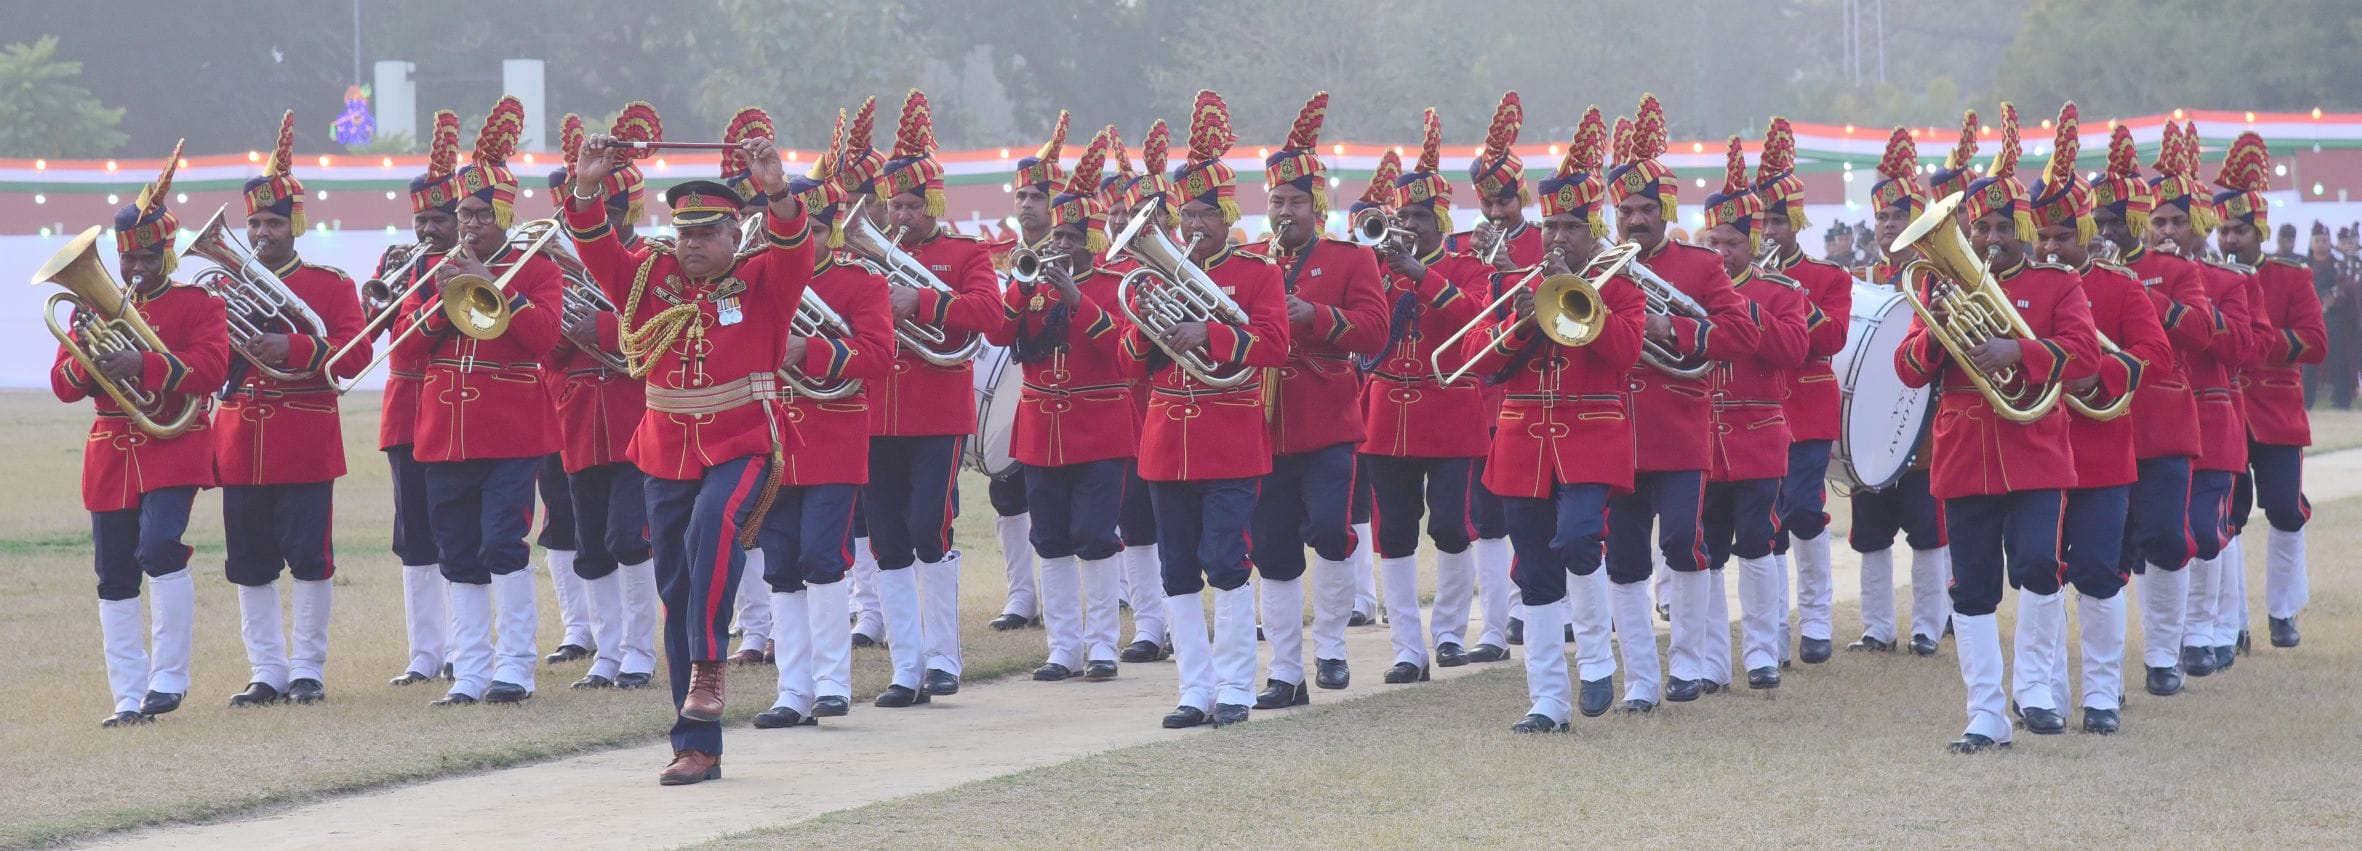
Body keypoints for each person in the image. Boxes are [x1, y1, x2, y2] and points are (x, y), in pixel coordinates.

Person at [565, 118, 813, 786]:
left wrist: (778, 191)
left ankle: (709, 667)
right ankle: (696, 744)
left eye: (709, 232)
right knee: (676, 588)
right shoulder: (650, 281)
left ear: (738, 233)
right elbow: (592, 243)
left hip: (744, 446)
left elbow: (795, 242)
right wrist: (587, 185)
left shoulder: (765, 279)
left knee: (714, 526)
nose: (695, 244)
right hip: (665, 452)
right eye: (686, 232)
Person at [1896, 103, 2099, 752]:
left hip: (2035, 444)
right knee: (1973, 585)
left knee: (2040, 561)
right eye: (1977, 227)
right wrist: (1935, 329)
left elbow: (2088, 358)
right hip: (1963, 453)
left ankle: (2035, 686)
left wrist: (2022, 351)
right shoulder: (1938, 288)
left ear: (2024, 228)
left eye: (2000, 227)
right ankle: (1985, 713)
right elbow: (1906, 369)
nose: (1988, 239)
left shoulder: (2057, 284)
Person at [1457, 106, 1645, 732]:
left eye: (1571, 226)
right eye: (1551, 226)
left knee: (1579, 537)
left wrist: (1578, 296)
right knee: (1533, 566)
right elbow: (1479, 362)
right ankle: (1546, 700)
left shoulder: (1621, 286)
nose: (1558, 238)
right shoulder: (1511, 285)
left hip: (1591, 437)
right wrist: (1523, 318)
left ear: (1593, 230)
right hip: (1520, 442)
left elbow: (1620, 354)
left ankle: (1595, 660)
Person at [1125, 90, 1291, 728]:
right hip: (1167, 436)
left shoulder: (1255, 272)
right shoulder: (1156, 275)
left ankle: (1235, 687)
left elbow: (1274, 343)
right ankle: (1193, 689)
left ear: (1227, 217)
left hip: (1229, 434)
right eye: (1185, 217)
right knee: (1176, 567)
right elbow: (1126, 357)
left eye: (1205, 216)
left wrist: (1214, 336)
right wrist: (1149, 327)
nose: (1193, 228)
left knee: (1225, 558)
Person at [53, 144, 229, 727]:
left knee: (158, 547)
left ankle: (168, 678)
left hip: (173, 443)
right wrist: (87, 359)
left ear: (168, 254)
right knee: (114, 572)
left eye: (148, 259)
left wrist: (146, 367)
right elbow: (63, 384)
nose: (135, 272)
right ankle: (127, 695)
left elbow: (211, 368)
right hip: (111, 450)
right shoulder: (90, 308)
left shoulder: (198, 303)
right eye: (129, 261)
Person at [396, 97, 564, 707]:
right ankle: (469, 671)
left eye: (476, 215)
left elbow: (543, 339)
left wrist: (490, 286)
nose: (465, 226)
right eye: (460, 215)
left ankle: (515, 666)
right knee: (456, 552)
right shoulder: (433, 269)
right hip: (444, 431)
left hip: (512, 431)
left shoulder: (538, 269)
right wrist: (440, 301)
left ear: (502, 215)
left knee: (502, 544)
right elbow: (405, 354)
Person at [1599, 95, 1762, 711]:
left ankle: (1688, 666)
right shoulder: (1602, 268)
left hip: (1680, 427)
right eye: (1626, 210)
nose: (1634, 220)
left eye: (1644, 210)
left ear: (1665, 209)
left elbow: (1743, 336)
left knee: (1684, 546)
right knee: (1624, 554)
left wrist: (1679, 332)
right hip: (1618, 430)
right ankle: (1640, 679)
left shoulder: (1699, 266)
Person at [217, 110, 369, 708]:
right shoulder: (228, 286)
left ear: (295, 225)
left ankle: (308, 668)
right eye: (254, 222)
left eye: (273, 223)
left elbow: (355, 354)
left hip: (303, 439)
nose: (261, 233)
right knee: (248, 563)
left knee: (309, 558)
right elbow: (211, 362)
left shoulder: (330, 285)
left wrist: (297, 346)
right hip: (239, 443)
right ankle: (267, 670)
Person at [752, 108, 896, 728]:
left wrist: (809, 350)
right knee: (779, 562)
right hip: (774, 435)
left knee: (822, 556)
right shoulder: (758, 281)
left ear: (828, 230)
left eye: (807, 230)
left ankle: (833, 682)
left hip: (834, 437)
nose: (794, 241)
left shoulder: (860, 284)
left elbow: (881, 358)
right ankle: (793, 690)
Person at [2029, 103, 2170, 734]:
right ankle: (2048, 694)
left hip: (2102, 447)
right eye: (2045, 237)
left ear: (2087, 232)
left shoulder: (2120, 286)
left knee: (2099, 572)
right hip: (2036, 448)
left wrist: (2095, 375)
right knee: (2043, 571)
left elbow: (2154, 355)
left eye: (2063, 236)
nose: (2053, 247)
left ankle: (2104, 696)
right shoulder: (2021, 286)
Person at [1244, 91, 1388, 707]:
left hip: (1328, 417)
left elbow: (1377, 331)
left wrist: (1319, 316)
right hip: (1265, 424)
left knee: (1331, 530)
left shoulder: (1350, 258)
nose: (1284, 212)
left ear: (1317, 205)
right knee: (1272, 548)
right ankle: (1284, 670)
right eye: (1276, 201)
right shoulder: (1254, 260)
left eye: (1296, 202)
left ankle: (1329, 648)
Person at [864, 89, 1007, 705]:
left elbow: (992, 317)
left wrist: (921, 300)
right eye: (892, 205)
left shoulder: (964, 253)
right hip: (877, 413)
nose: (899, 217)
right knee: (886, 537)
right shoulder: (869, 257)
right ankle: (905, 666)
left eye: (910, 206)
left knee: (932, 525)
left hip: (936, 411)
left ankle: (944, 658)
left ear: (934, 205)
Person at [986, 127, 1136, 683]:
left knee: (1096, 536)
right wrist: (1025, 287)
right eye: (1060, 238)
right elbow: (1001, 334)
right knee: (1047, 537)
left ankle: (1101, 647)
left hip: (1098, 426)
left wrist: (1077, 300)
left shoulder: (1118, 283)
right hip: (1040, 427)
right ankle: (1062, 648)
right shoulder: (1032, 280)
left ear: (1091, 240)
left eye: (1074, 238)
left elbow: (1124, 351)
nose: (1063, 247)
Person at [1355, 111, 1491, 683]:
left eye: (1417, 216)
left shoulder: (1465, 266)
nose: (1407, 224)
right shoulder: (1377, 268)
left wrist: (1422, 275)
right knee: (1395, 531)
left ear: (1439, 219)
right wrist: (1389, 273)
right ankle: (1408, 648)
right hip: (1388, 413)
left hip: (1451, 408)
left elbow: (1474, 319)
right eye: (1401, 215)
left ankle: (1450, 635)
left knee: (1455, 528)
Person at [2091, 122, 2211, 697]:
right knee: (2107, 548)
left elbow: (2204, 334)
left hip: (2162, 426)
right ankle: (2105, 674)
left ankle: (2164, 655)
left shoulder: (2180, 272)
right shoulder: (2081, 277)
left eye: (2117, 221)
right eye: (2102, 221)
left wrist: (2144, 292)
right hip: (2102, 424)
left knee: (2165, 537)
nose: (2108, 231)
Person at [545, 105, 662, 690]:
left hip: (636, 417)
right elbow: (547, 349)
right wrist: (565, 333)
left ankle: (639, 650)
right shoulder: (558, 269)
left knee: (628, 538)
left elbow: (664, 325)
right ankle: (607, 653)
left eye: (613, 212)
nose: (602, 221)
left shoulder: (652, 261)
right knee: (588, 544)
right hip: (579, 421)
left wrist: (606, 331)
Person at [1697, 136, 1812, 691]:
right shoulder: (1686, 285)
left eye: (1731, 244)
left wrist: (1738, 306)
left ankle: (1764, 654)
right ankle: (1714, 663)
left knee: (1757, 538)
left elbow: (1793, 351)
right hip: (1703, 434)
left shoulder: (1780, 291)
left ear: (1753, 243)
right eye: (1712, 241)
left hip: (1758, 433)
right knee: (1708, 546)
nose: (1720, 252)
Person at [2212, 131, 2326, 651]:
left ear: (2259, 230)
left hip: (2277, 414)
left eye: (2239, 231)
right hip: (2229, 414)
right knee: (2229, 515)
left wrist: (2259, 344)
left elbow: (2315, 343)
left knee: (2284, 508)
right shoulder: (2208, 276)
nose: (2229, 240)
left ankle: (2283, 612)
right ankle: (2233, 622)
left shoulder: (2291, 278)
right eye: (2223, 231)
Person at [2151, 120, 2254, 683]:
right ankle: (2179, 635)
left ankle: (2206, 632)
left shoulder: (2229, 281)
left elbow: (2244, 345)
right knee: (2166, 533)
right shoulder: (2137, 276)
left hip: (2211, 419)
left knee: (2204, 529)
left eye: (2177, 221)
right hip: (2158, 421)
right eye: (2158, 220)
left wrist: (2185, 312)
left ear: (2200, 226)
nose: (2167, 230)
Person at [1847, 126, 1951, 657]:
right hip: (1871, 423)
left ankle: (1929, 625)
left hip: (1929, 426)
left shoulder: (1941, 278)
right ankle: (1877, 626)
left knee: (1928, 530)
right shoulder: (1863, 279)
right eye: (1883, 216)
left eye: (1899, 216)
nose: (1889, 226)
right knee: (1870, 532)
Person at [1755, 118, 1852, 666]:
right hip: (1761, 407)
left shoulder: (1826, 276)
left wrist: (1794, 296)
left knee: (1802, 510)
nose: (1768, 231)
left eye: (1777, 221)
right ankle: (1772, 627)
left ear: (1795, 222)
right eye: (1761, 220)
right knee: (1763, 517)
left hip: (1809, 406)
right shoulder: (1738, 274)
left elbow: (1833, 337)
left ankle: (1815, 617)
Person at [1448, 92, 1540, 651]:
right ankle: (1496, 625)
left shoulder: (1548, 241)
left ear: (1519, 195)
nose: (1495, 213)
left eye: (1504, 201)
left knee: (1543, 511)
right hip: (1485, 401)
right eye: (1487, 204)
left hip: (1536, 398)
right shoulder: (1469, 245)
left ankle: (1542, 605)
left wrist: (1509, 269)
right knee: (1485, 514)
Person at [983, 112, 1072, 634]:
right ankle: (1021, 594)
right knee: (1007, 491)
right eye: (1021, 197)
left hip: (1063, 390)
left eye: (1038, 197)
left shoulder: (1078, 255)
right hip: (1013, 392)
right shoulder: (998, 257)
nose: (1027, 205)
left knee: (1075, 502)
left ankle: (1110, 592)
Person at [382, 110, 461, 687]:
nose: (429, 231)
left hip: (456, 409)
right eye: (422, 221)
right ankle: (423, 651)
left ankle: (462, 645)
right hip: (407, 409)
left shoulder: (473, 266)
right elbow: (395, 345)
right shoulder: (397, 264)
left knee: (454, 525)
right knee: (414, 533)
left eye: (440, 219)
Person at [1111, 120, 1173, 664]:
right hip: (1134, 416)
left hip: (1197, 411)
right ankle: (1151, 626)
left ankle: (1235, 615)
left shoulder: (1192, 269)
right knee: (1137, 521)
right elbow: (1126, 361)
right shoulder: (1119, 278)